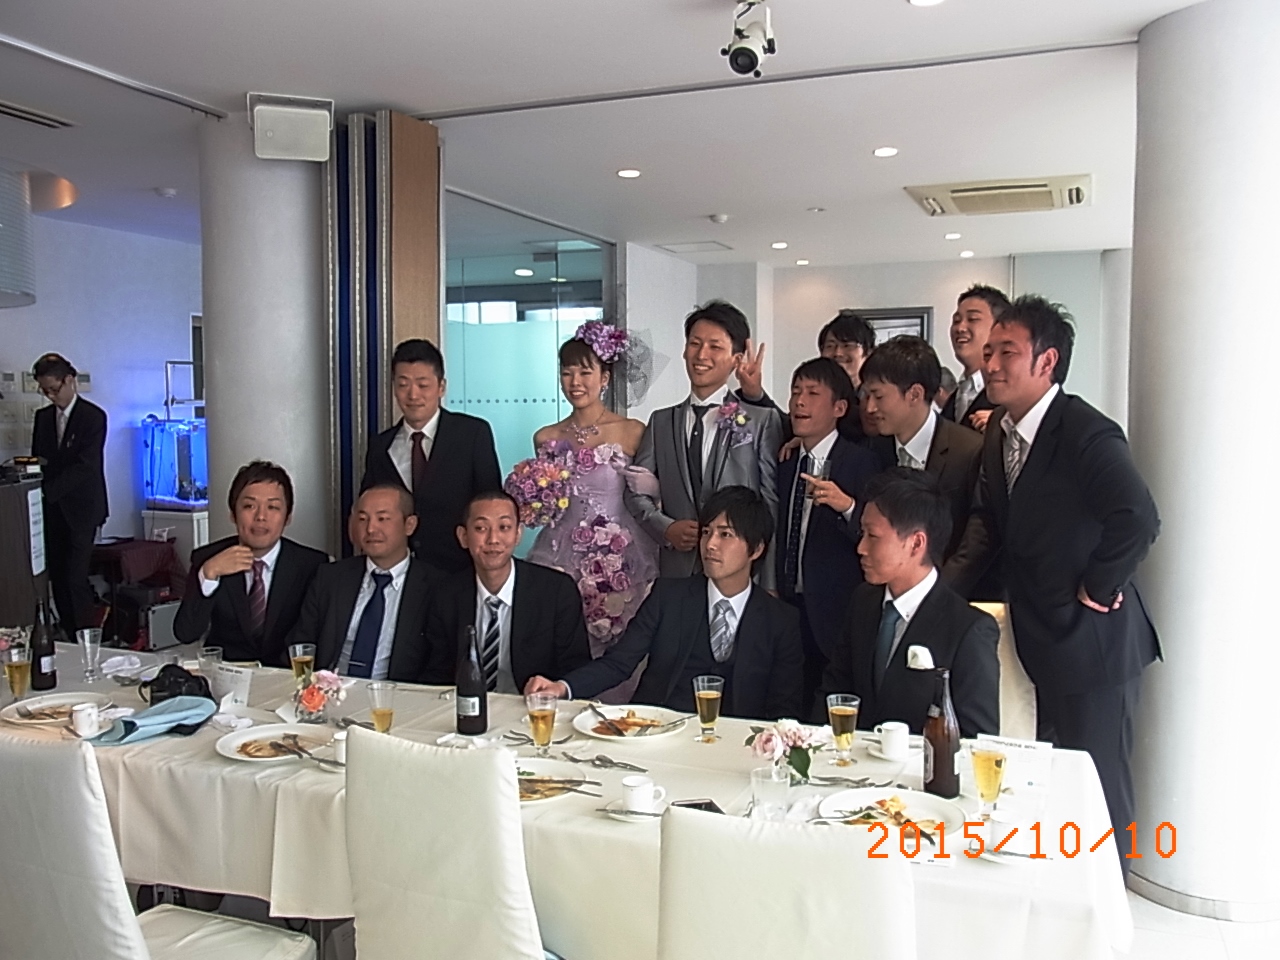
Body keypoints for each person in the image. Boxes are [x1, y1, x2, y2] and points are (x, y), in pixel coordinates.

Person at [944, 295, 1161, 870]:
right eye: (989, 351)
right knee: (1048, 781)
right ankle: (1061, 892)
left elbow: (1138, 516)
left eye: (1007, 352)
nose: (991, 363)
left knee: (1099, 785)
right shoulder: (1000, 432)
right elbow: (999, 526)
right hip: (1036, 637)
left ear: (1047, 361)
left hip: (1093, 642)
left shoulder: (1086, 431)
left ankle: (1109, 897)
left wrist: (1100, 585)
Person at [527, 486, 804, 721]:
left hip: (737, 746)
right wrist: (563, 687)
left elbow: (784, 707)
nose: (710, 544)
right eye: (706, 532)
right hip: (659, 731)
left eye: (725, 534)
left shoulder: (781, 620)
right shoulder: (668, 597)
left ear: (756, 549)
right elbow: (619, 663)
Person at [819, 469, 999, 738]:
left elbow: (977, 741)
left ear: (916, 543)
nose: (861, 548)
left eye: (872, 536)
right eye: (862, 533)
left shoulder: (968, 630)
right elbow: (835, 692)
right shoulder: (863, 601)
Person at [525, 324, 659, 666]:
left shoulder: (632, 431)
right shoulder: (545, 437)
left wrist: (652, 488)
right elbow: (546, 507)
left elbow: (649, 497)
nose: (575, 382)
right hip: (559, 555)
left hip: (618, 554)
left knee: (618, 649)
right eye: (567, 372)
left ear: (605, 378)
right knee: (561, 643)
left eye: (585, 372)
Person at [624, 301, 783, 586]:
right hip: (678, 571)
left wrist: (768, 581)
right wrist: (666, 528)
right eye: (695, 344)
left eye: (715, 346)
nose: (701, 355)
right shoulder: (661, 422)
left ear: (736, 360)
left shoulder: (759, 420)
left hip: (740, 575)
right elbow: (634, 493)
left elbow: (770, 503)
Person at [775, 358, 880, 705]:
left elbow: (877, 533)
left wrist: (847, 506)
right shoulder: (787, 458)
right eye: (795, 392)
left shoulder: (860, 461)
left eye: (812, 393)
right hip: (787, 606)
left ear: (839, 408)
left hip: (835, 610)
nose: (799, 401)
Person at [423, 491, 591, 692]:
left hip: (532, 705)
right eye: (481, 528)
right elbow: (437, 673)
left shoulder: (556, 591)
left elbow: (575, 670)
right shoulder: (446, 594)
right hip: (466, 705)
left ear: (518, 534)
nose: (493, 539)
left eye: (504, 527)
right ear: (463, 536)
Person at [361, 338, 501, 574]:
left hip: (458, 568)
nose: (413, 395)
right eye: (403, 385)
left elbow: (490, 502)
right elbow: (368, 505)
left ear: (441, 387)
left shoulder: (472, 434)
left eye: (423, 385)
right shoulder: (380, 445)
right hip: (399, 572)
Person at [282, 485, 442, 680]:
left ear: (409, 524)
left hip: (396, 694)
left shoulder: (437, 587)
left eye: (382, 519)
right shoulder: (331, 577)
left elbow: (439, 665)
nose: (370, 529)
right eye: (362, 519)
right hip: (330, 690)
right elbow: (301, 644)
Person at [175, 461, 327, 663]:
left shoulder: (312, 565)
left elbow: (314, 640)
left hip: (285, 675)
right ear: (233, 514)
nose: (261, 516)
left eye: (273, 507)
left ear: (288, 517)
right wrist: (209, 574)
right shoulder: (208, 558)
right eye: (249, 506)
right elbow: (186, 634)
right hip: (227, 674)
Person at [859, 336, 982, 562]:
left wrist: (941, 583)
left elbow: (977, 538)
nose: (870, 407)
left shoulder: (969, 451)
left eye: (878, 396)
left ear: (914, 394)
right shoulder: (873, 449)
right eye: (867, 396)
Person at [30, 353, 108, 632]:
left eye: (54, 389)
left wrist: (49, 491)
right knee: (58, 579)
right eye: (45, 391)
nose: (51, 396)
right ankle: (68, 631)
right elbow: (38, 461)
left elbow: (86, 465)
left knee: (76, 577)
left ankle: (85, 635)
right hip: (52, 512)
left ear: (70, 380)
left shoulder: (93, 417)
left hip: (82, 510)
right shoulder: (42, 419)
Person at [736, 309, 882, 447]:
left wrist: (817, 437)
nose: (838, 353)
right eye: (830, 346)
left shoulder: (875, 396)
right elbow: (788, 427)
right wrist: (755, 393)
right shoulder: (815, 390)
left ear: (868, 352)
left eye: (848, 345)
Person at [940, 285, 1008, 432]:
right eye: (956, 320)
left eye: (972, 319)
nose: (960, 328)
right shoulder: (955, 397)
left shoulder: (1009, 396)